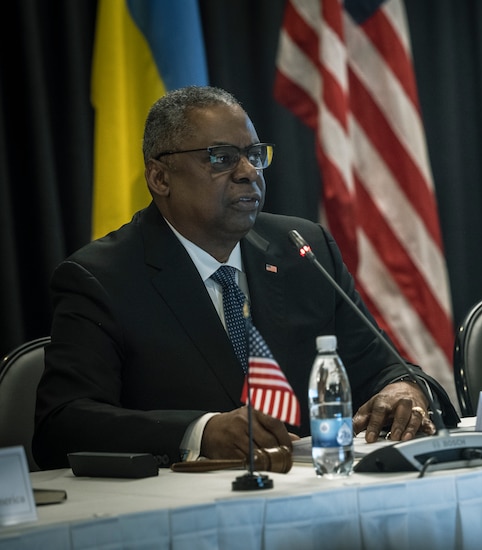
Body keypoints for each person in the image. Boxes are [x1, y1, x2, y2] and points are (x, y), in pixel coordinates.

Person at [33, 85, 458, 470]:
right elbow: (62, 424)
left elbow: (385, 367)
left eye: (255, 155)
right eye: (221, 157)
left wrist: (405, 389)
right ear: (160, 177)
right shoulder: (100, 278)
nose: (247, 172)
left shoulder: (301, 249)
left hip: (312, 493)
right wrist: (200, 432)